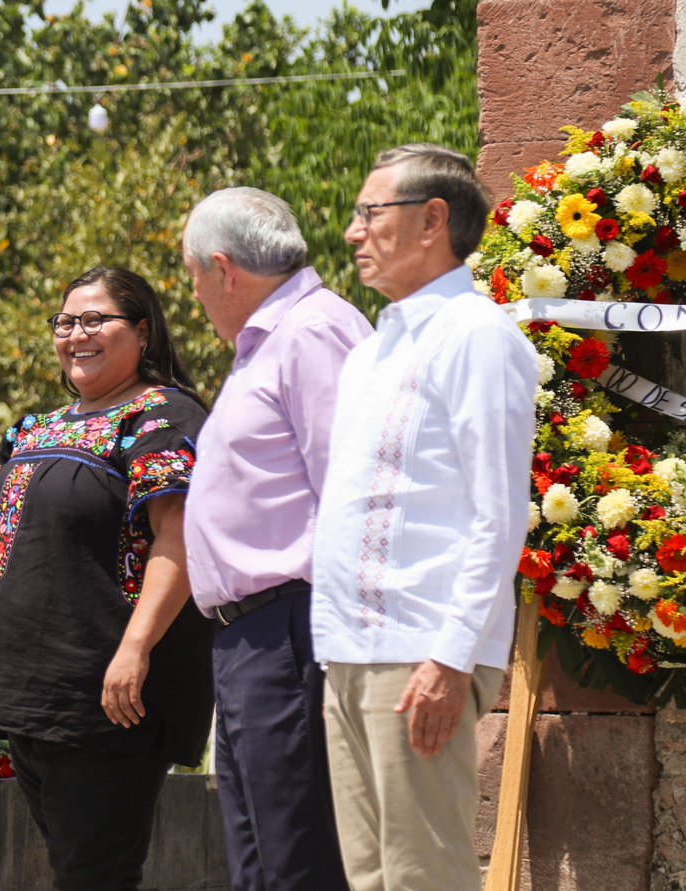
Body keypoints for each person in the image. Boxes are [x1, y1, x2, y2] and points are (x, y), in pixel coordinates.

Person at [311, 144, 539, 891]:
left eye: (370, 213)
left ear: (433, 220)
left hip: (419, 650)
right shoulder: (372, 351)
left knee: (426, 876)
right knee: (373, 878)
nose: (353, 233)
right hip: (348, 648)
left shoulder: (477, 335)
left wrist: (448, 656)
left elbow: (498, 513)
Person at [0, 266, 214, 891]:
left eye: (96, 320)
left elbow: (180, 539)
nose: (76, 335)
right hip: (29, 698)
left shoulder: (160, 416)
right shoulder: (33, 428)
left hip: (103, 696)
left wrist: (135, 648)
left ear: (142, 332)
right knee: (73, 870)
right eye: (66, 323)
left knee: (95, 876)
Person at [180, 187, 372, 890]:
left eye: (194, 277)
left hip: (295, 629)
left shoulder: (312, 331)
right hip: (252, 637)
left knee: (301, 859)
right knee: (260, 863)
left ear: (223, 270)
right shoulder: (272, 339)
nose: (195, 296)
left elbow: (354, 487)